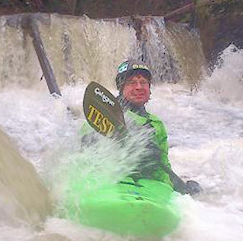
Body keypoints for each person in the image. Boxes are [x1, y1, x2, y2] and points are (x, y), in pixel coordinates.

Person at [82, 59, 201, 195]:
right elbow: (86, 152)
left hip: (147, 188)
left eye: (143, 82)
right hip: (113, 184)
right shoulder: (103, 113)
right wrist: (129, 144)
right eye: (132, 83)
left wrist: (178, 189)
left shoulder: (155, 123)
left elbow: (163, 168)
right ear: (121, 88)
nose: (139, 87)